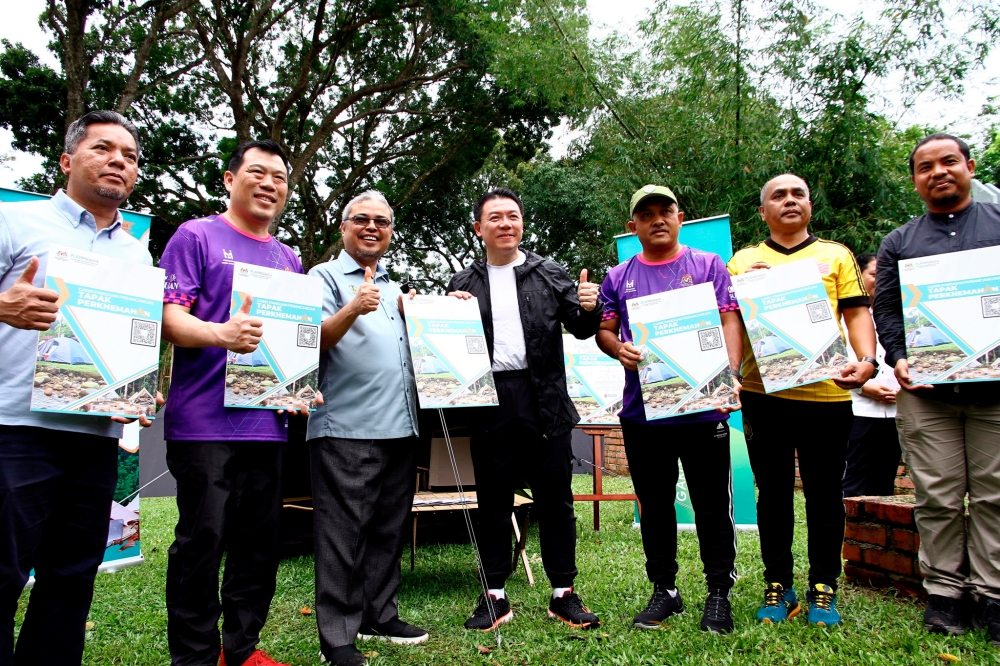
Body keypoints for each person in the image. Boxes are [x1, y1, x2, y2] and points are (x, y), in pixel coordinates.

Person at [0, 111, 156, 666]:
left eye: (131, 156)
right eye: (104, 149)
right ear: (67, 160)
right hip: (16, 432)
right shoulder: (15, 222)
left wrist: (138, 386)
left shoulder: (136, 254)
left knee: (70, 578)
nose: (119, 161)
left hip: (95, 439)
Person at [160, 139, 313, 666]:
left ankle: (240, 650)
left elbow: (292, 337)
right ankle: (195, 657)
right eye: (258, 172)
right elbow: (168, 319)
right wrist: (219, 333)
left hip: (268, 426)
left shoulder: (287, 257)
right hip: (203, 424)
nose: (270, 183)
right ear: (230, 179)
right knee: (202, 543)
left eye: (280, 177)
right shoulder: (196, 236)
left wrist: (298, 386)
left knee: (259, 547)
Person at [446, 188, 604, 632]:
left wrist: (591, 306)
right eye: (494, 217)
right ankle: (494, 594)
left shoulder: (549, 272)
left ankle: (563, 594)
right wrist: (444, 310)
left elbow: (582, 326)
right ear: (479, 229)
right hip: (489, 401)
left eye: (513, 216)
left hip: (544, 399)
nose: (505, 223)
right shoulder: (461, 283)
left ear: (522, 224)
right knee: (492, 501)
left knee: (556, 500)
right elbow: (444, 344)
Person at [727, 173, 876, 627]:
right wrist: (729, 373)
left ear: (810, 204)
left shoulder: (836, 255)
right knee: (771, 493)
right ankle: (778, 583)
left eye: (798, 194)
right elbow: (731, 321)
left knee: (825, 493)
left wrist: (868, 360)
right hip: (762, 397)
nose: (789, 201)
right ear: (762, 211)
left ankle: (823, 587)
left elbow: (856, 312)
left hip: (827, 394)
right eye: (778, 196)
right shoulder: (743, 261)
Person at [595, 185, 744, 634]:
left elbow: (728, 318)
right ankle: (665, 590)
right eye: (647, 214)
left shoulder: (707, 265)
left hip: (703, 409)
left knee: (712, 505)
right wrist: (617, 348)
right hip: (644, 413)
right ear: (632, 226)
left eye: (666, 211)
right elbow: (605, 329)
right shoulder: (618, 276)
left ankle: (719, 592)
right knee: (656, 505)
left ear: (680, 217)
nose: (658, 219)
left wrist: (731, 372)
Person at [873, 133, 1000, 647]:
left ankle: (992, 594)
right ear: (915, 181)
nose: (939, 172)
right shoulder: (900, 242)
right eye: (926, 167)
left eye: (949, 162)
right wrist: (899, 359)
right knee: (938, 496)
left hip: (995, 392)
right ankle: (945, 593)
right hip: (927, 392)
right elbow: (886, 310)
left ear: (969, 166)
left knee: (995, 495)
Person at [307, 190, 426, 666]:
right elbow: (308, 341)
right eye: (362, 219)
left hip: (400, 425)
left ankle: (380, 613)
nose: (372, 227)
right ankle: (337, 636)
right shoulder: (323, 278)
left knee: (387, 529)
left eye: (382, 221)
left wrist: (441, 311)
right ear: (344, 227)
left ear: (391, 232)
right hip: (346, 426)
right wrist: (353, 307)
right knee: (343, 532)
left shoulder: (398, 288)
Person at [842, 252, 901, 498]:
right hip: (857, 410)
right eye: (875, 274)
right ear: (858, 275)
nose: (881, 279)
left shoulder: (897, 316)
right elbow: (830, 362)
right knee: (854, 479)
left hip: (896, 410)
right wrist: (865, 388)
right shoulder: (844, 317)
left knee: (884, 481)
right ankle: (850, 532)